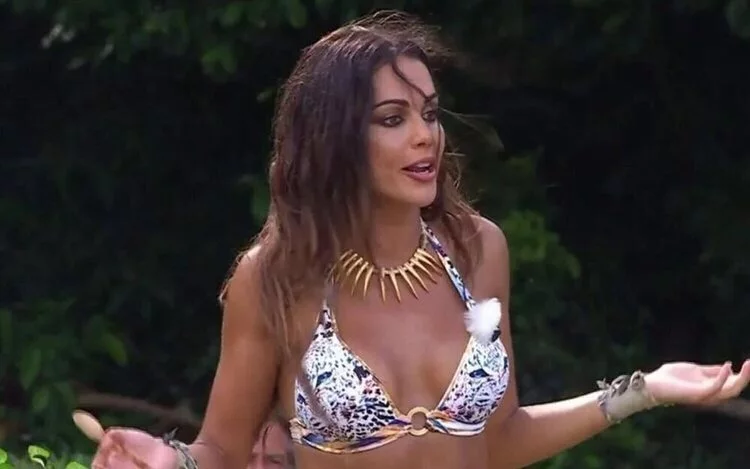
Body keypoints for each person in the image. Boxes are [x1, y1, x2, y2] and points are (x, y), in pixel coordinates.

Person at [87, 10, 750, 469]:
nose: (424, 136)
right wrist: (165, 460)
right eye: (392, 118)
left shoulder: (479, 252)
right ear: (335, 139)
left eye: (429, 114)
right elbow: (222, 452)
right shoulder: (276, 277)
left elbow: (500, 439)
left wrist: (645, 390)